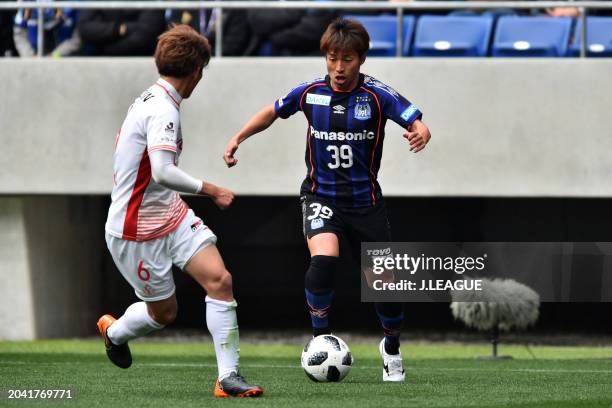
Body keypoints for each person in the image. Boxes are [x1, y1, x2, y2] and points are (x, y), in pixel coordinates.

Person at [223, 19, 431, 382]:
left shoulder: (378, 96)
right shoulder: (310, 93)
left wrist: (421, 130)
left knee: (385, 286)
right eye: (332, 58)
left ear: (361, 59)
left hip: (366, 204)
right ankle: (321, 341)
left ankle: (391, 349)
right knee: (324, 259)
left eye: (347, 59)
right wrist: (237, 138)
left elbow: (414, 119)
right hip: (321, 198)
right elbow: (272, 111)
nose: (338, 67)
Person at [99, 24, 263, 398]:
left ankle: (228, 378)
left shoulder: (155, 97)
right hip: (134, 230)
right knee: (163, 315)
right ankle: (114, 332)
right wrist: (213, 190)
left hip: (169, 214)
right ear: (197, 72)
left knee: (220, 281)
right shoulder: (163, 110)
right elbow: (162, 171)